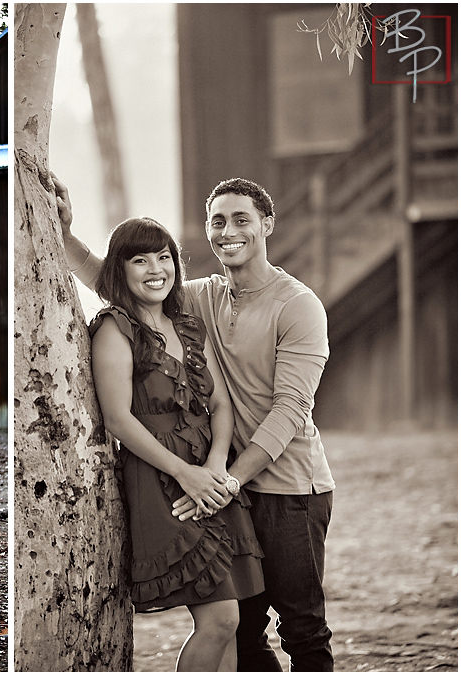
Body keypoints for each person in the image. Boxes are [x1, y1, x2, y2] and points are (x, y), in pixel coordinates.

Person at [57, 175, 335, 671]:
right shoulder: (202, 298)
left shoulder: (298, 305)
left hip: (287, 488)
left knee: (302, 628)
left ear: (267, 224)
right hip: (220, 484)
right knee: (244, 631)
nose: (229, 231)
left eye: (242, 219)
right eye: (218, 221)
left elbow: (291, 410)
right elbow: (120, 281)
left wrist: (226, 478)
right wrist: (63, 233)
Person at [90, 217, 265, 671]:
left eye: (164, 257)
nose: (156, 268)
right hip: (160, 478)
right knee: (221, 618)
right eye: (140, 259)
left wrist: (215, 469)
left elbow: (220, 406)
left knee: (234, 620)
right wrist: (184, 473)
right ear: (120, 269)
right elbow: (118, 419)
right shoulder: (116, 328)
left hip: (209, 476)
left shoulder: (187, 326)